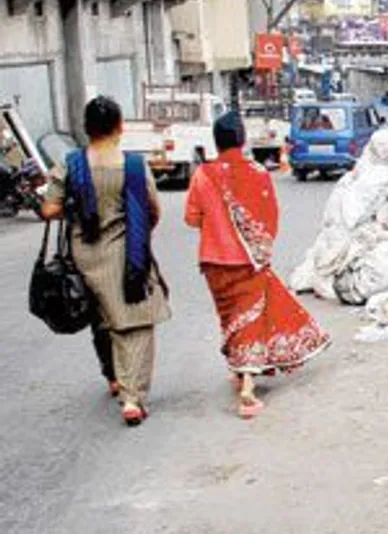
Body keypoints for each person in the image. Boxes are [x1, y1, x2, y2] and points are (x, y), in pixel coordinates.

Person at [185, 113, 330, 419]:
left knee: (229, 318)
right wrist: (259, 248)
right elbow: (270, 218)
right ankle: (248, 388)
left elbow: (192, 218)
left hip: (213, 261)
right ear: (242, 139)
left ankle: (239, 369)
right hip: (247, 261)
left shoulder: (202, 175)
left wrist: (216, 223)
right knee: (248, 319)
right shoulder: (259, 174)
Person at [42, 96, 171, 427]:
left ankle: (114, 377)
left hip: (83, 255)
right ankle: (132, 398)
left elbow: (48, 209)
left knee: (103, 320)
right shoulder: (132, 166)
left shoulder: (71, 164)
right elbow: (153, 210)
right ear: (120, 126)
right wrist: (139, 236)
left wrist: (77, 204)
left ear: (86, 128)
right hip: (126, 255)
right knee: (135, 324)